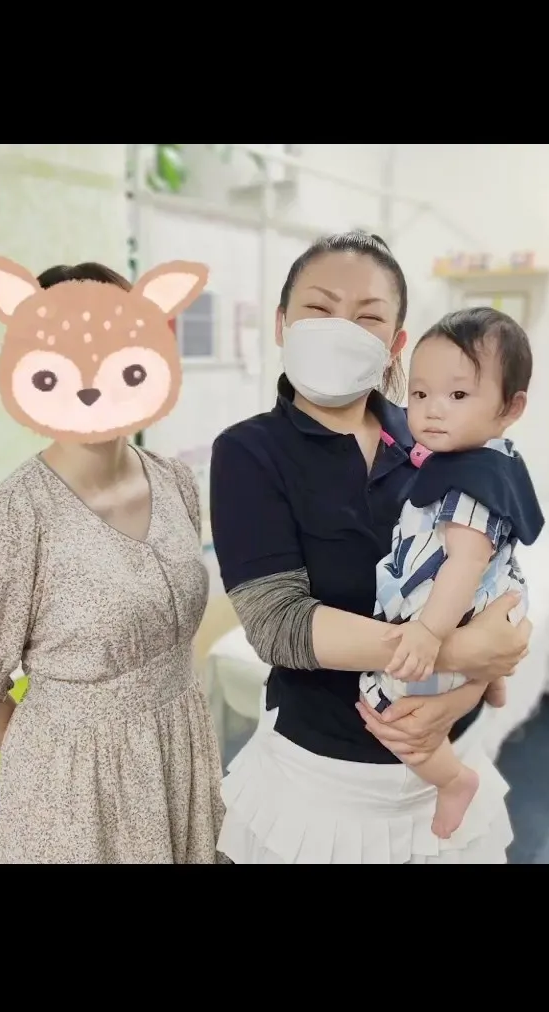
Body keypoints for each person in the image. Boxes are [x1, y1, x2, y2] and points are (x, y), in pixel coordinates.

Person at [209, 232, 531, 865]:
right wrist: (463, 650)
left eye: (368, 317)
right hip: (324, 778)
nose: (340, 329)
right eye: (319, 308)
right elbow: (278, 626)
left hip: (450, 760)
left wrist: (466, 691)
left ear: (396, 343)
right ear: (281, 323)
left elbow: (496, 571)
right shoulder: (249, 451)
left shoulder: (438, 434)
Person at [0, 260, 224, 864]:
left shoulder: (175, 481)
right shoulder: (8, 523)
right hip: (74, 799)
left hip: (182, 754)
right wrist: (64, 770)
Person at [359, 307, 544, 840]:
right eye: (420, 394)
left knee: (381, 701)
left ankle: (452, 779)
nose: (433, 410)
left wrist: (426, 632)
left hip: (456, 608)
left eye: (458, 395)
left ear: (511, 407)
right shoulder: (490, 458)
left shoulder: (468, 485)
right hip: (496, 597)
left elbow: (464, 563)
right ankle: (491, 679)